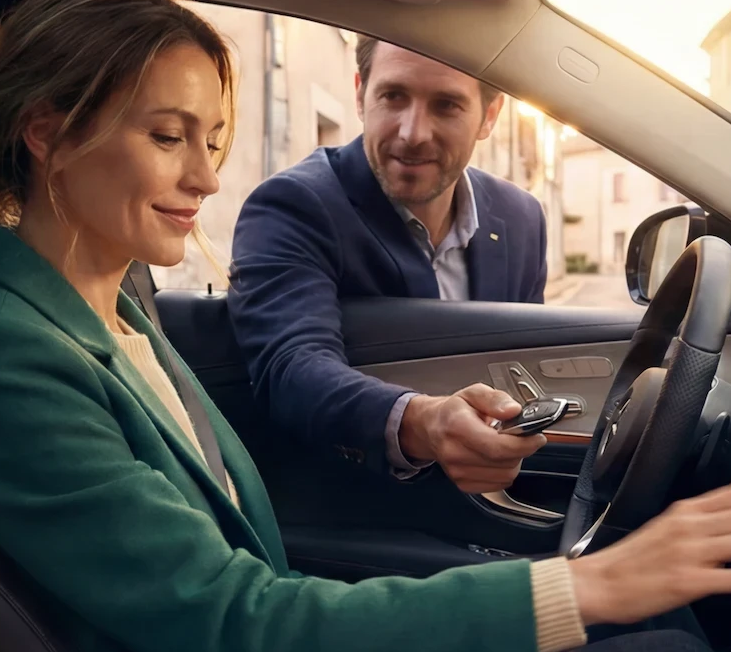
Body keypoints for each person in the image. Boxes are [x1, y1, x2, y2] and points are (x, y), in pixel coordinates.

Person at [0, 0, 731, 652]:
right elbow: (244, 626)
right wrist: (591, 583)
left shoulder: (114, 318)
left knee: (651, 623)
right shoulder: (10, 366)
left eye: (212, 138)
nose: (203, 177)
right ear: (46, 132)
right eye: (166, 137)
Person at [228, 38, 549, 494]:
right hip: (354, 512)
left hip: (493, 502)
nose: (413, 132)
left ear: (489, 117)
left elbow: (531, 363)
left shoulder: (521, 217)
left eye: (446, 105)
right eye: (393, 96)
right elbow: (292, 365)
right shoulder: (294, 204)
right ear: (360, 95)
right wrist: (424, 422)